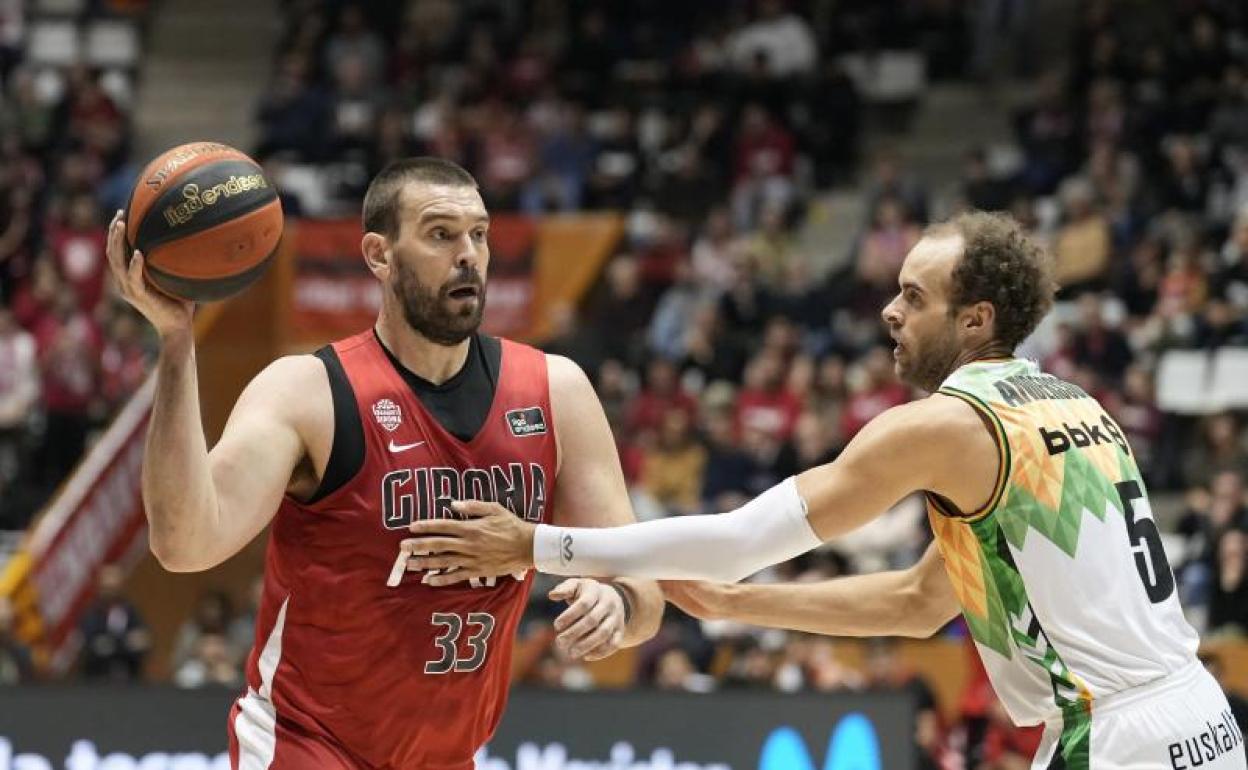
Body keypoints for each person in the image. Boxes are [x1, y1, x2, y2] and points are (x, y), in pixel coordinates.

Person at [406, 211, 1246, 769]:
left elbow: (742, 536)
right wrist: (740, 606)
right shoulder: (1072, 403)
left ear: (976, 321)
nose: (889, 311)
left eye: (914, 297)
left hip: (1116, 733)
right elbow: (920, 603)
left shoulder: (946, 426)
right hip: (1201, 720)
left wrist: (537, 544)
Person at [106, 157, 662, 770]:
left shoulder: (556, 391)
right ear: (379, 254)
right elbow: (184, 545)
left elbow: (643, 591)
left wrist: (620, 605)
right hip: (304, 744)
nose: (469, 255)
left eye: (479, 234)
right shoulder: (307, 391)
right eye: (441, 234)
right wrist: (177, 343)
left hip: (448, 757)